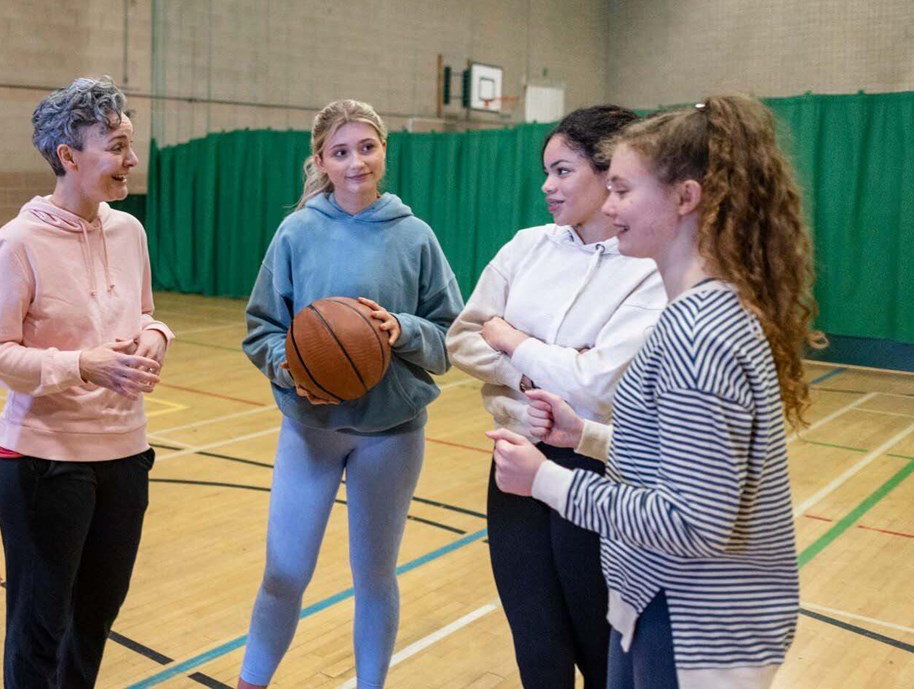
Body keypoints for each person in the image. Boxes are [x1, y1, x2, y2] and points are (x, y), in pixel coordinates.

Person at [490, 95, 821, 689]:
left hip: (699, 621)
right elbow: (685, 470)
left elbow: (693, 520)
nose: (609, 207)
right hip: (665, 601)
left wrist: (546, 479)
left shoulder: (699, 333)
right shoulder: (696, 315)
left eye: (621, 190)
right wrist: (584, 435)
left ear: (685, 198)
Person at [238, 99, 463, 689]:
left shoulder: (414, 236)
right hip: (311, 430)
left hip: (391, 434)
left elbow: (451, 338)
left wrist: (401, 329)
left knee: (375, 576)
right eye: (341, 152)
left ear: (383, 150)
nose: (356, 161)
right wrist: (293, 370)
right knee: (283, 573)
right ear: (321, 160)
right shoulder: (297, 232)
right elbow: (261, 330)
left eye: (366, 147)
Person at [446, 105, 665, 688]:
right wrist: (530, 373)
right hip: (514, 458)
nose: (548, 185)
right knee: (536, 643)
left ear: (608, 174)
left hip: (598, 468)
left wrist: (514, 339)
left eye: (563, 171)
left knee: (602, 649)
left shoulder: (648, 267)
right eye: (546, 171)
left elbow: (598, 383)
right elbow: (463, 337)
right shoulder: (527, 247)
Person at [0, 75, 172, 688]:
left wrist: (156, 339)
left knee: (93, 622)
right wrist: (82, 364)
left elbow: (146, 313)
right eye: (115, 145)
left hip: (126, 456)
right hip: (43, 463)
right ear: (67, 156)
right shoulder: (15, 243)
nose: (130, 159)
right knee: (39, 628)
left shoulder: (129, 230)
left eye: (129, 144)